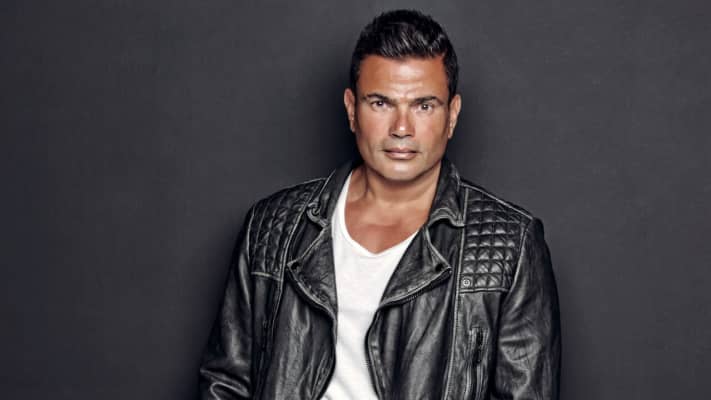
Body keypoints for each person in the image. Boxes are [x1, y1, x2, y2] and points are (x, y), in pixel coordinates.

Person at [199, 9, 560, 400]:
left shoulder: (508, 245)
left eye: (424, 106)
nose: (401, 129)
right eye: (381, 103)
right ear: (352, 109)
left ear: (452, 115)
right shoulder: (273, 226)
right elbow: (224, 383)